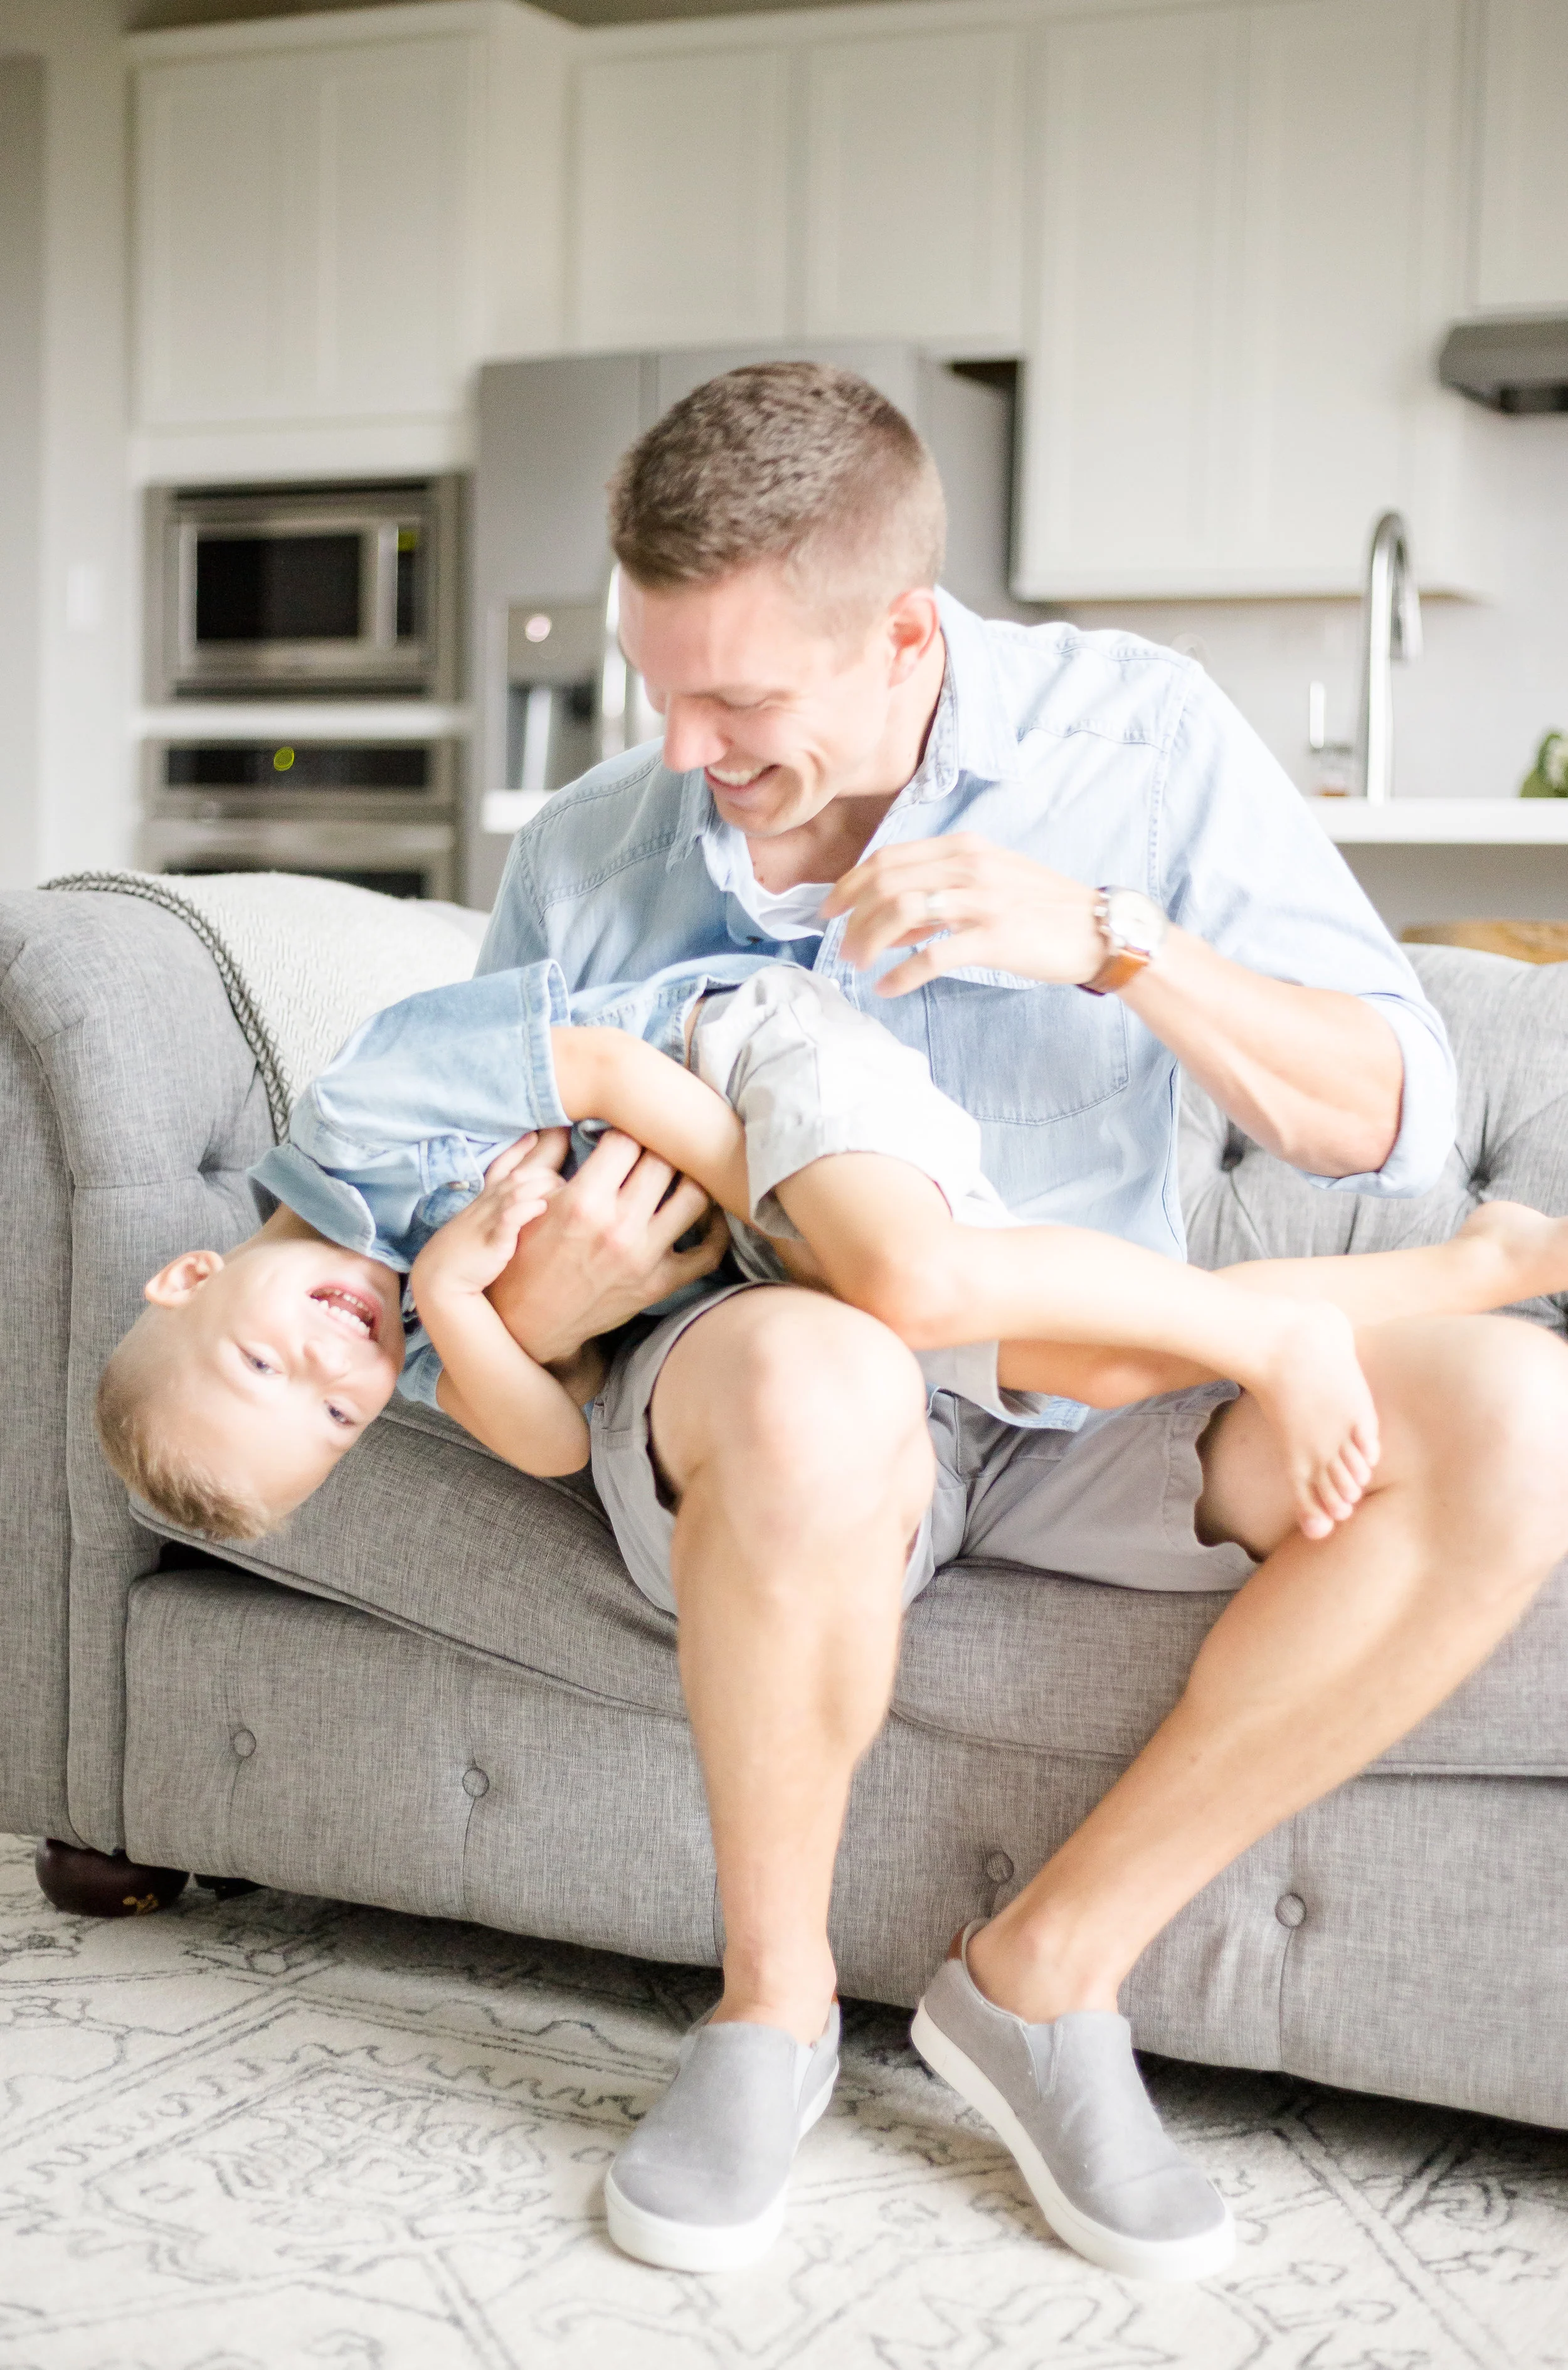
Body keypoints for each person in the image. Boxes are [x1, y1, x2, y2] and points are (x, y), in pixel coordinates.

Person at [462, 359, 1568, 2282]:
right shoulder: (589, 851)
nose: (679, 747)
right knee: (827, 1356)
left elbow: (1391, 1123)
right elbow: (474, 1227)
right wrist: (547, 1304)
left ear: (900, 636)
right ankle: (771, 2011)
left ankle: (1042, 1979)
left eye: (737, 701)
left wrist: (1115, 943)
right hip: (780, 1402)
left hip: (1099, 1403)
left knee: (1513, 1412)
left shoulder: (1133, 733)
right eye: (659, 685)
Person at [96, 952, 1568, 1555]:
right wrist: (446, 1301)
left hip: (739, 1062)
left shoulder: (359, 1116)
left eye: (265, 1355)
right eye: (334, 1412)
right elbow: (547, 1444)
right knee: (1112, 1354)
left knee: (921, 1278)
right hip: (762, 1256)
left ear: (188, 1273)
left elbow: (604, 1068)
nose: (336, 1361)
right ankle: (1468, 1271)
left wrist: (787, 1214)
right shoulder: (417, 1332)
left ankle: (1286, 1333)